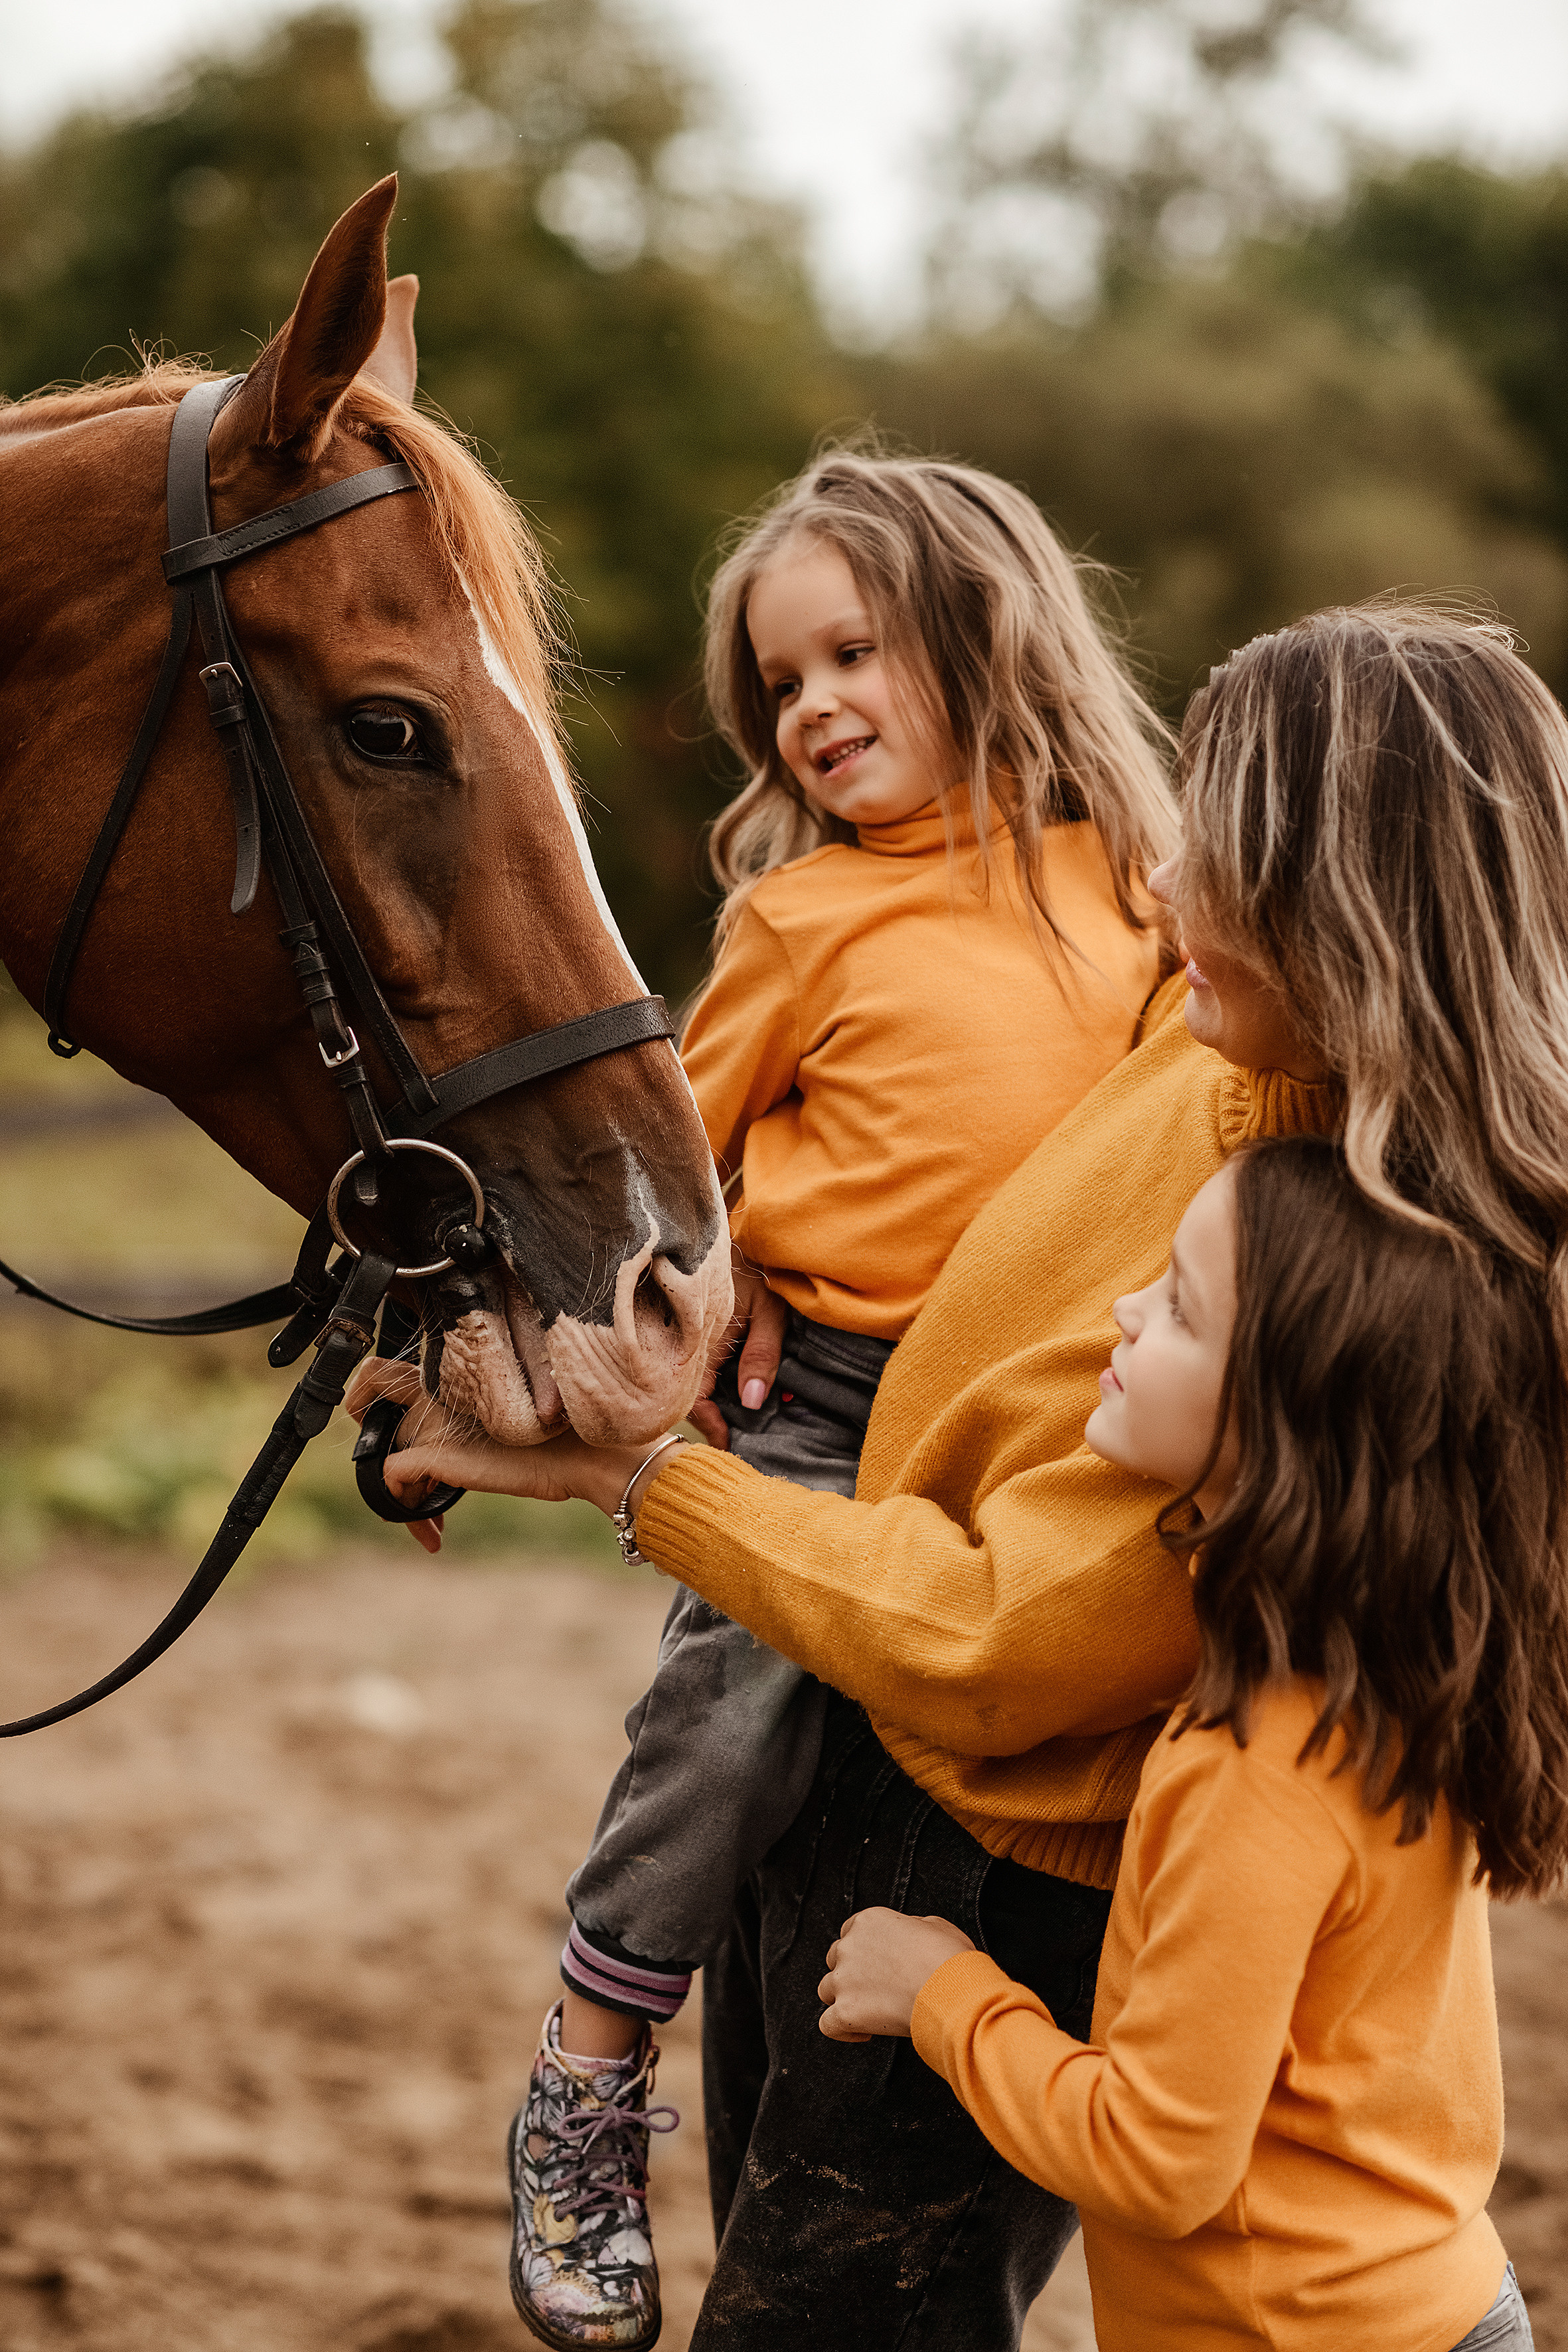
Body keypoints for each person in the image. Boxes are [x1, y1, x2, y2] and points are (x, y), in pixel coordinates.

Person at [356, 603, 1568, 2349]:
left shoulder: (1330, 1264)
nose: (1161, 889)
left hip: (996, 1851)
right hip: (870, 1716)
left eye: (1215, 857)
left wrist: (635, 1475)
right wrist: (753, 1235)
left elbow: (1012, 1637)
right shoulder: (1234, 1020)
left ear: (1345, 909)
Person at [469, 449, 1176, 2347]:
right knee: (728, 1720)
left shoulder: (1145, 894)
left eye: (853, 652)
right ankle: (591, 2060)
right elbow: (662, 1179)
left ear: (988, 630)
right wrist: (744, 1263)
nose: (812, 710)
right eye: (781, 685)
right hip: (835, 1404)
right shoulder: (803, 921)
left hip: (1051, 1425)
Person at [819, 1135, 1562, 2350]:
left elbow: (1157, 2158)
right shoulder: (1402, 1671)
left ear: (1282, 1422)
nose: (1122, 1309)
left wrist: (944, 1993)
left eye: (1176, 1306)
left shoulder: (1256, 1767)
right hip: (1427, 2302)